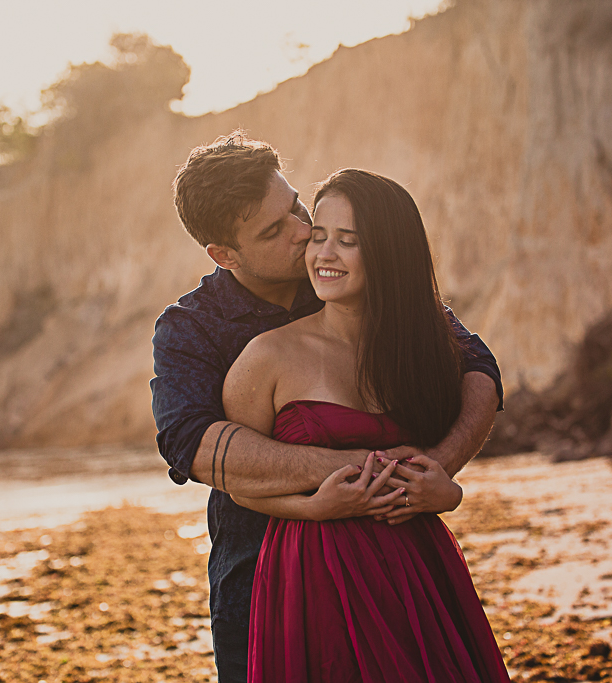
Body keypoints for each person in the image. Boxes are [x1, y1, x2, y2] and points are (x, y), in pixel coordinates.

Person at [151, 133, 504, 683]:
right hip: (264, 572)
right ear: (225, 254)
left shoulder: (347, 276)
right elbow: (192, 444)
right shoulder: (192, 328)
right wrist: (363, 469)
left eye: (294, 206)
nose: (302, 232)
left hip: (399, 560)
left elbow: (476, 366)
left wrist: (440, 467)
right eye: (274, 230)